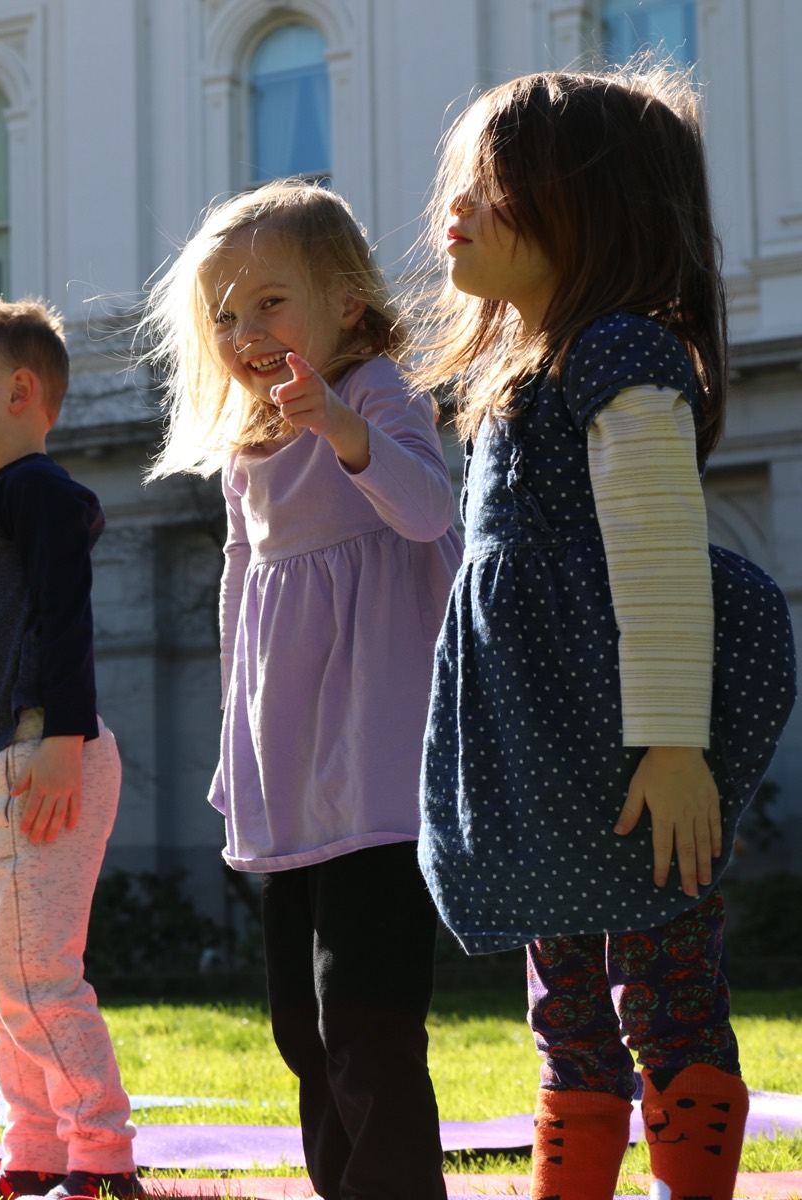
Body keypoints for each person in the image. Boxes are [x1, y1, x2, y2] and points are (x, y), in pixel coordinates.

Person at [413, 66, 796, 1200]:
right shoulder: (514, 374)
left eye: (495, 184)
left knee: (667, 981)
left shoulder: (620, 354)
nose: (458, 206)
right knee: (564, 995)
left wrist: (675, 750)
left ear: (591, 205)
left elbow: (662, 560)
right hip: (547, 749)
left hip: (623, 750)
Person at [140, 180, 460, 1198]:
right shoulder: (249, 444)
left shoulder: (375, 395)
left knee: (366, 1015)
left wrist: (340, 428)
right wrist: (239, 753)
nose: (244, 331)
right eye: (224, 314)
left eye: (269, 302)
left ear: (350, 304)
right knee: (301, 1025)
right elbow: (244, 592)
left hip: (373, 771)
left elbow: (424, 513)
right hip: (290, 768)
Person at [0, 299, 139, 1200]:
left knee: (35, 976)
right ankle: (34, 1153)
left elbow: (62, 620)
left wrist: (59, 733)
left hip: (40, 751)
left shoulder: (37, 494)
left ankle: (100, 1161)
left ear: (19, 391)